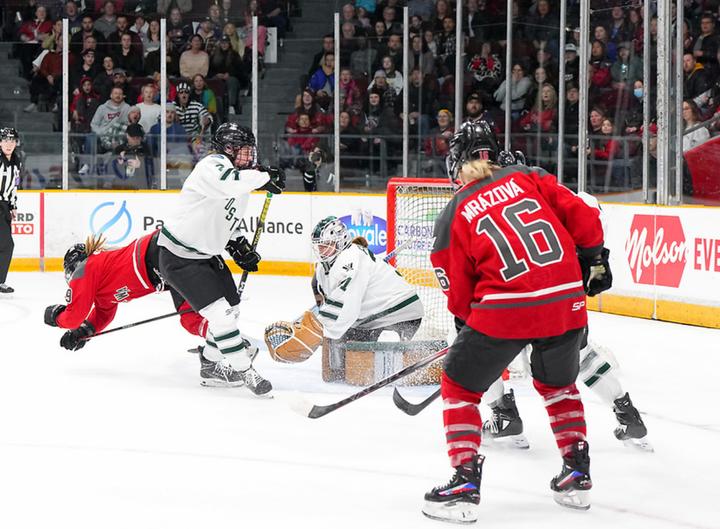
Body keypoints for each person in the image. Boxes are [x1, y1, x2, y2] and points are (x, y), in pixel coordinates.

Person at [422, 121, 610, 522]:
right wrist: (596, 259)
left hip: (505, 310)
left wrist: (467, 325)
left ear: (456, 164)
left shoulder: (454, 211)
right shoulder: (528, 175)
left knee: (458, 383)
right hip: (566, 304)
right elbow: (580, 213)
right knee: (558, 385)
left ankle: (464, 481)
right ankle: (577, 473)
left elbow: (458, 291)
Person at [156, 123, 285, 395]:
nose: (251, 157)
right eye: (245, 151)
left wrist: (239, 245)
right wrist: (263, 175)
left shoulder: (240, 180)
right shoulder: (211, 166)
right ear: (228, 149)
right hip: (179, 256)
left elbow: (226, 218)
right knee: (222, 316)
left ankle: (210, 364)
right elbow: (227, 185)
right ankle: (245, 371)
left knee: (232, 312)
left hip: (205, 254)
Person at [42, 231, 260, 387]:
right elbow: (103, 312)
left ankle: (225, 346)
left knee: (203, 312)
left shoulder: (86, 268)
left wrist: (55, 316)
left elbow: (73, 316)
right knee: (190, 319)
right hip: (163, 268)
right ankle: (223, 343)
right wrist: (84, 332)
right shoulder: (102, 281)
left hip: (159, 255)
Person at [311, 217, 424, 379]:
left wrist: (317, 330)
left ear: (341, 241)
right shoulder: (325, 268)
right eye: (319, 246)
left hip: (401, 313)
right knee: (341, 345)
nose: (322, 250)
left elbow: (348, 308)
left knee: (380, 346)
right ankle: (341, 373)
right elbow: (325, 295)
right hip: (371, 318)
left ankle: (400, 364)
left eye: (327, 245)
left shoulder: (349, 259)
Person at [0, 128, 21, 297]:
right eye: (5, 140)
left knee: (6, 245)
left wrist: (13, 206)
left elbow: (14, 185)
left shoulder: (16, 161)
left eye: (12, 141)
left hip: (5, 207)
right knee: (6, 245)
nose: (9, 144)